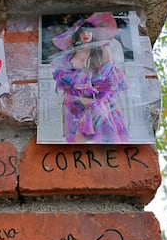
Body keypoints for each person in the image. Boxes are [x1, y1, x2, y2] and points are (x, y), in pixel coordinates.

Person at [50, 12, 129, 143]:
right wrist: (78, 96)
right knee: (78, 139)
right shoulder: (70, 55)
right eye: (83, 32)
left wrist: (91, 97)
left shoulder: (102, 50)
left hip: (99, 100)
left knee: (103, 133)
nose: (86, 35)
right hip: (76, 103)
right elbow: (64, 81)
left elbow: (107, 79)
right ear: (78, 34)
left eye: (89, 32)